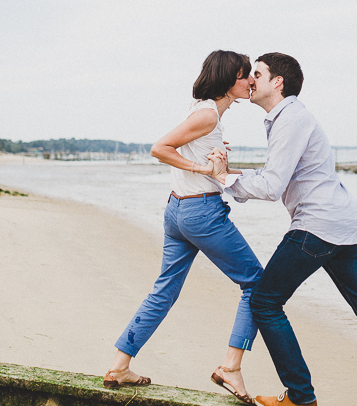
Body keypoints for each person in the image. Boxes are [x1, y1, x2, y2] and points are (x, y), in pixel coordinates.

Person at [210, 53, 357, 406]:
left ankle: (301, 397)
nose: (251, 80)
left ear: (277, 82)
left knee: (265, 302)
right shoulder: (288, 117)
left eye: (258, 74)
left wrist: (224, 179)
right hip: (345, 226)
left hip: (318, 226)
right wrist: (232, 175)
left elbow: (271, 186)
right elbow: (276, 175)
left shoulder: (290, 119)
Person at [104, 50, 264, 405]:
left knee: (164, 291)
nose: (251, 81)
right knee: (256, 283)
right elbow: (159, 148)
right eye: (245, 75)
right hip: (201, 214)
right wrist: (203, 169)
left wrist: (227, 164)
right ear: (229, 81)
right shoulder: (207, 114)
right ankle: (230, 368)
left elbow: (204, 159)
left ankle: (119, 366)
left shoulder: (204, 111)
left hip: (178, 211)